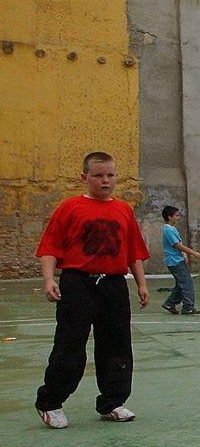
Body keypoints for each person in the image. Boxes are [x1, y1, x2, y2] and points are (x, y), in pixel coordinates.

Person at [34, 152, 150, 429]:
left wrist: (142, 284)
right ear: (84, 177)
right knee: (71, 342)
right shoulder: (70, 207)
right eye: (98, 175)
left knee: (117, 344)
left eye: (110, 175)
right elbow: (50, 247)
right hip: (77, 283)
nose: (105, 181)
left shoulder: (123, 210)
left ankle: (112, 402)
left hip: (113, 284)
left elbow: (133, 252)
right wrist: (49, 279)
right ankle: (50, 402)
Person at [160, 205, 200, 315]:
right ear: (169, 217)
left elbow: (178, 244)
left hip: (177, 259)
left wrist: (184, 255)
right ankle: (188, 307)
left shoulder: (172, 229)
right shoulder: (168, 230)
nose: (178, 218)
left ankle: (170, 303)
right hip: (174, 261)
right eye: (176, 216)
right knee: (187, 283)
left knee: (181, 284)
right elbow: (177, 245)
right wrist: (193, 253)